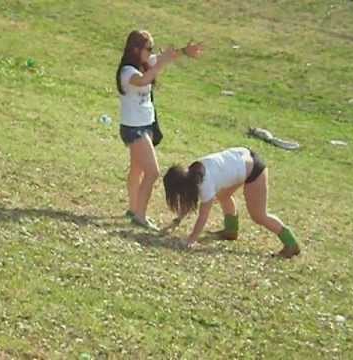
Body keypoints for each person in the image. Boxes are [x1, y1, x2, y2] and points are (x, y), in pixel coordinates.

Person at [116, 30, 203, 230]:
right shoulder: (127, 72)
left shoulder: (144, 63)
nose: (151, 52)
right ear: (136, 49)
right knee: (153, 172)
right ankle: (140, 215)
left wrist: (184, 51)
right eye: (148, 48)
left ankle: (133, 208)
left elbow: (164, 58)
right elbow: (143, 80)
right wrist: (160, 64)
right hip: (134, 129)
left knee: (137, 170)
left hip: (145, 126)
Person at [163, 147, 300, 258]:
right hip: (240, 159)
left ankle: (291, 244)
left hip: (254, 170)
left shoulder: (205, 183)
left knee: (259, 215)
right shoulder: (192, 173)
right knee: (224, 195)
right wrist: (178, 220)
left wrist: (192, 239)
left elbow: (203, 215)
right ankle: (231, 231)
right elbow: (189, 199)